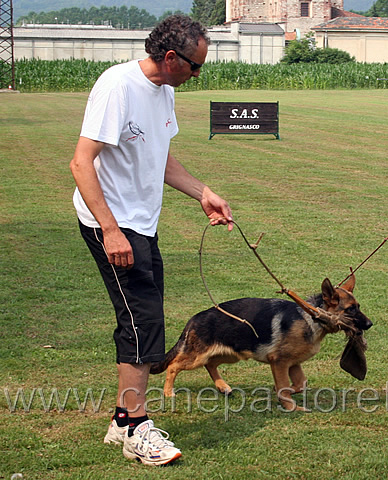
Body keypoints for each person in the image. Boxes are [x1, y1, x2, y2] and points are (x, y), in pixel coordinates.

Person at [69, 15, 233, 465]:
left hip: (141, 224)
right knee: (143, 324)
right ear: (169, 57)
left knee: (143, 319)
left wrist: (205, 193)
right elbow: (82, 163)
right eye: (195, 67)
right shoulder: (117, 86)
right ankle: (136, 429)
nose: (198, 75)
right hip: (114, 223)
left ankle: (123, 419)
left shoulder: (163, 93)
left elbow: (160, 159)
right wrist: (110, 229)